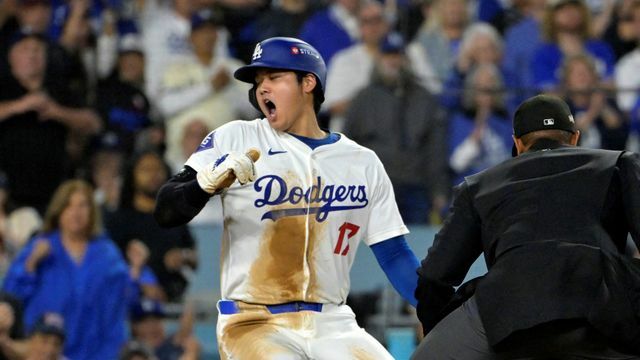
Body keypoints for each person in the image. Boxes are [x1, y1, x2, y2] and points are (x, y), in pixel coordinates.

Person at [154, 36, 420, 359]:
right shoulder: (236, 137)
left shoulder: (361, 161)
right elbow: (165, 210)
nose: (261, 88)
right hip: (253, 321)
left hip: (333, 322)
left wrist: (438, 304)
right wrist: (201, 187)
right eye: (258, 81)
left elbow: (394, 255)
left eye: (274, 77)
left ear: (308, 82)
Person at [412, 94, 640, 359]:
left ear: (518, 144)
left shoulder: (480, 185)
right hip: (603, 310)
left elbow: (433, 277)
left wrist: (436, 327)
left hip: (511, 311)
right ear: (575, 138)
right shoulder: (617, 163)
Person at [2, 179, 129, 360]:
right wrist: (30, 265)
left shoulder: (108, 256)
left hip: (95, 353)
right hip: (43, 353)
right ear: (58, 210)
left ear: (92, 211)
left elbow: (116, 315)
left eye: (82, 206)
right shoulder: (39, 246)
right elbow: (11, 299)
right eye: (68, 205)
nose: (75, 213)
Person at [105, 150, 197, 302]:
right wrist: (142, 282)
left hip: (173, 301)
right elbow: (110, 263)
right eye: (146, 169)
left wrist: (183, 256)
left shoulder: (175, 215)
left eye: (158, 169)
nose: (154, 175)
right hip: (132, 303)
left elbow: (194, 256)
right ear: (132, 176)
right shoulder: (118, 219)